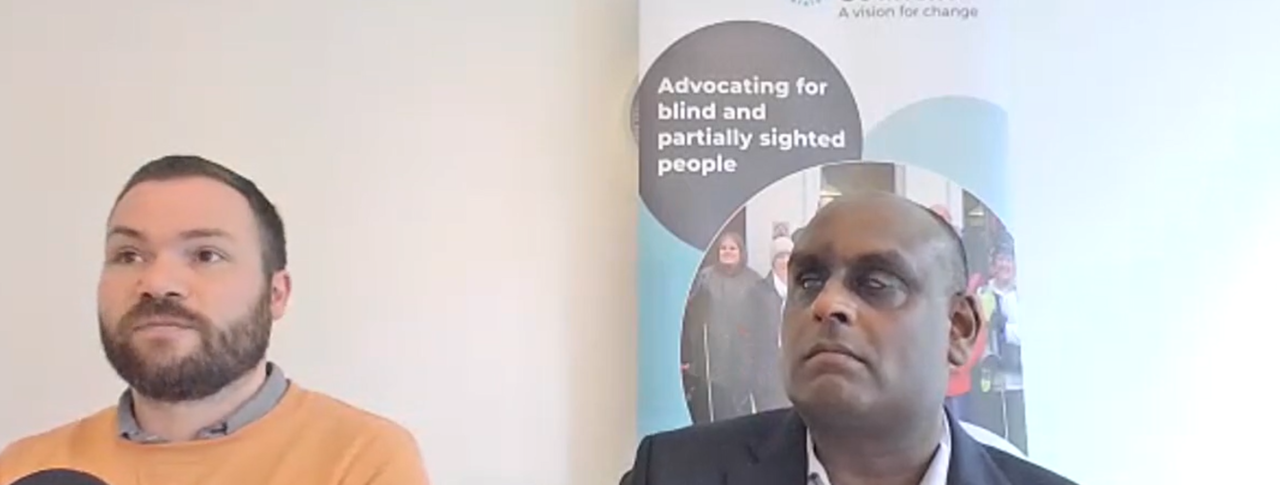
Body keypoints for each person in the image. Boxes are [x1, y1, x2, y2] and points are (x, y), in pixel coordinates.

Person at [0, 155, 430, 485]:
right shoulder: (25, 467)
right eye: (128, 255)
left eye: (206, 255)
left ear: (276, 294)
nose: (158, 283)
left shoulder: (362, 459)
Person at [622, 191, 1074, 485]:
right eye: (809, 281)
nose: (826, 304)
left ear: (958, 329)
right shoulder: (673, 474)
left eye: (876, 283)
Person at [681, 231, 768, 422]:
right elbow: (691, 316)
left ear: (741, 252)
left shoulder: (754, 281)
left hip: (743, 357)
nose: (727, 252)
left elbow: (764, 322)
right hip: (711, 357)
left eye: (732, 248)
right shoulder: (705, 278)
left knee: (739, 410)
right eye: (723, 248)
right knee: (712, 410)